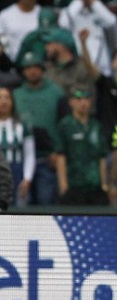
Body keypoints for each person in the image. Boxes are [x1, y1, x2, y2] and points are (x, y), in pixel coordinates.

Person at [13, 50, 66, 206]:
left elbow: (64, 124)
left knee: (46, 202)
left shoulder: (56, 93)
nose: (32, 71)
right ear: (23, 71)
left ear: (42, 70)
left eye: (36, 67)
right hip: (21, 159)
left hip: (48, 158)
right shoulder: (16, 95)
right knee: (21, 203)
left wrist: (58, 151)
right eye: (28, 68)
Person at [54, 86, 109, 205]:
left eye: (86, 99)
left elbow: (102, 157)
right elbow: (61, 157)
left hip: (95, 186)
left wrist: (104, 184)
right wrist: (63, 186)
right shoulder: (65, 125)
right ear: (71, 102)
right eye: (78, 99)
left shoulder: (96, 126)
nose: (83, 103)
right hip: (74, 185)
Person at [0, 86, 35, 206]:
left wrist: (27, 178)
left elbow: (30, 154)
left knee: (18, 210)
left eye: (7, 98)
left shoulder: (22, 126)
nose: (4, 102)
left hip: (17, 171)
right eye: (0, 98)